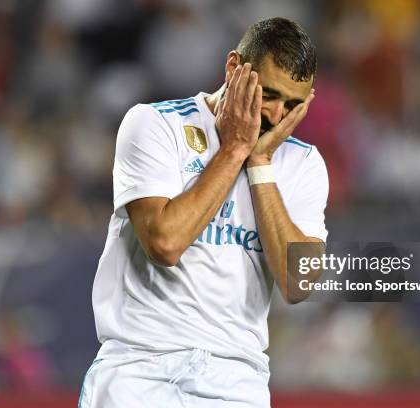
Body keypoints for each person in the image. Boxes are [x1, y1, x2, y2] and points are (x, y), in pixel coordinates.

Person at [79, 17, 328, 408]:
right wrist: (234, 150)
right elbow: (165, 243)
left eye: (294, 105)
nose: (278, 116)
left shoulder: (303, 164)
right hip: (139, 367)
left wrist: (260, 163)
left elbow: (299, 284)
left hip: (236, 379)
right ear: (233, 68)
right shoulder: (156, 125)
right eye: (269, 95)